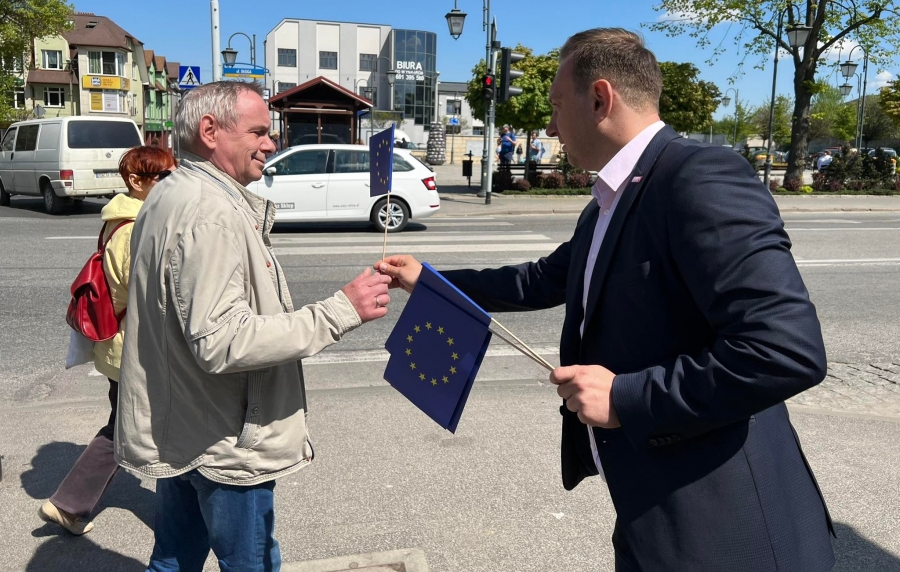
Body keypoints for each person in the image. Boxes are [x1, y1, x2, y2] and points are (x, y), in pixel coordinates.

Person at [377, 28, 834, 571]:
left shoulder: (698, 177)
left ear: (599, 99)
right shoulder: (606, 201)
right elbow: (540, 280)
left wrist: (627, 397)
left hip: (726, 524)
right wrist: (428, 280)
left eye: (556, 106)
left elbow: (785, 351)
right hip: (651, 507)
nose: (550, 127)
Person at [115, 81, 392, 571]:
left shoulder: (170, 191)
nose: (271, 142)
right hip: (225, 439)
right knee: (249, 564)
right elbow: (222, 341)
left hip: (186, 423)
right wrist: (341, 310)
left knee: (173, 559)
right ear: (210, 131)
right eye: (258, 132)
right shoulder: (211, 213)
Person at [39, 147, 177, 536]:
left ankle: (69, 505)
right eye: (164, 176)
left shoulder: (122, 220)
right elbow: (149, 294)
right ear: (136, 181)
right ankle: (69, 504)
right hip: (136, 350)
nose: (173, 182)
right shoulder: (135, 229)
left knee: (129, 427)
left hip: (124, 347)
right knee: (141, 429)